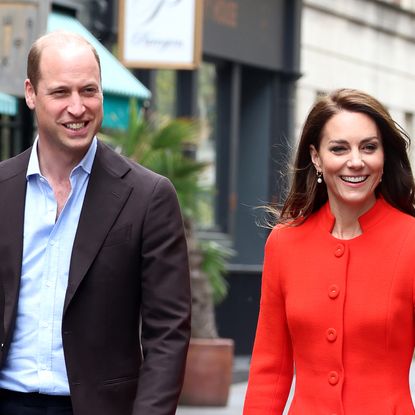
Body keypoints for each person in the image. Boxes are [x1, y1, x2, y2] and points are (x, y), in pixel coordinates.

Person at [0, 30, 191, 415]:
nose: (78, 107)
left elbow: (168, 333)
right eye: (60, 93)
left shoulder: (148, 196)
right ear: (31, 93)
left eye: (89, 91)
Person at [243, 88, 415, 414]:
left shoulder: (411, 240)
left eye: (369, 147)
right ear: (316, 157)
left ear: (384, 156)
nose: (355, 161)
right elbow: (270, 368)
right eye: (339, 148)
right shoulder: (284, 243)